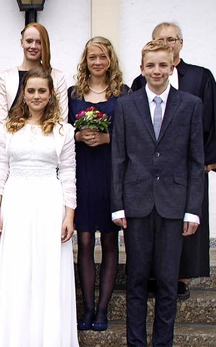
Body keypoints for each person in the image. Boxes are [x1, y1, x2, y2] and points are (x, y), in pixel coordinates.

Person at [111, 40, 204, 347]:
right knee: (136, 281)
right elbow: (119, 159)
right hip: (136, 205)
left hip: (173, 206)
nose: (157, 70)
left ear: (172, 66)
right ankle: (136, 343)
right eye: (151, 65)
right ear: (141, 68)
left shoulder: (190, 104)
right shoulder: (126, 105)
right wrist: (118, 205)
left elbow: (195, 161)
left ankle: (163, 343)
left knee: (167, 282)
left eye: (163, 65)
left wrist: (193, 209)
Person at [0, 68, 78, 346]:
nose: (36, 96)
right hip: (15, 203)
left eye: (42, 91)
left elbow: (69, 174)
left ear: (51, 95)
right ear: (23, 94)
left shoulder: (64, 131)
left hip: (49, 203)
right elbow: (0, 168)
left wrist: (69, 215)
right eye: (31, 91)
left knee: (47, 272)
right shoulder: (7, 129)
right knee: (16, 270)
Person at [131, 22, 216, 300]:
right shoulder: (140, 82)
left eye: (172, 39)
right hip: (151, 167)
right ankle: (155, 275)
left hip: (191, 162)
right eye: (160, 39)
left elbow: (212, 118)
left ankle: (182, 277)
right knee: (155, 221)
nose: (167, 43)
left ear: (181, 42)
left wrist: (210, 157)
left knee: (187, 221)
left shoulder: (201, 76)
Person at [67, 36, 129, 331]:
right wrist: (77, 136)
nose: (98, 62)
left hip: (110, 173)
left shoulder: (123, 94)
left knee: (108, 239)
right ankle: (87, 308)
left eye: (103, 57)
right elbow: (62, 132)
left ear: (110, 60)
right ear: (86, 60)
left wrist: (108, 138)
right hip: (82, 172)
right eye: (93, 57)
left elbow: (134, 137)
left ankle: (103, 309)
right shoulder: (72, 94)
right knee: (85, 240)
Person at [0, 22, 68, 130]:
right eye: (29, 41)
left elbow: (61, 120)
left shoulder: (57, 77)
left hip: (49, 141)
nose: (33, 46)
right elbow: (0, 124)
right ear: (22, 42)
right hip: (13, 142)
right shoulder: (5, 78)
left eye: (39, 42)